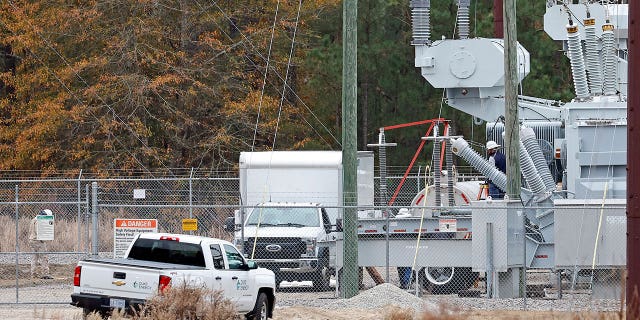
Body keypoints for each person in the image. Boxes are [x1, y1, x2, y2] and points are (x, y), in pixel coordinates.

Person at [29, 209, 52, 279]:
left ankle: (33, 274)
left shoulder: (34, 220)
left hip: (32, 240)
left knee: (34, 258)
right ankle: (45, 274)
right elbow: (39, 233)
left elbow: (30, 231)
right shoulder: (39, 221)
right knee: (44, 257)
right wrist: (44, 239)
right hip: (38, 241)